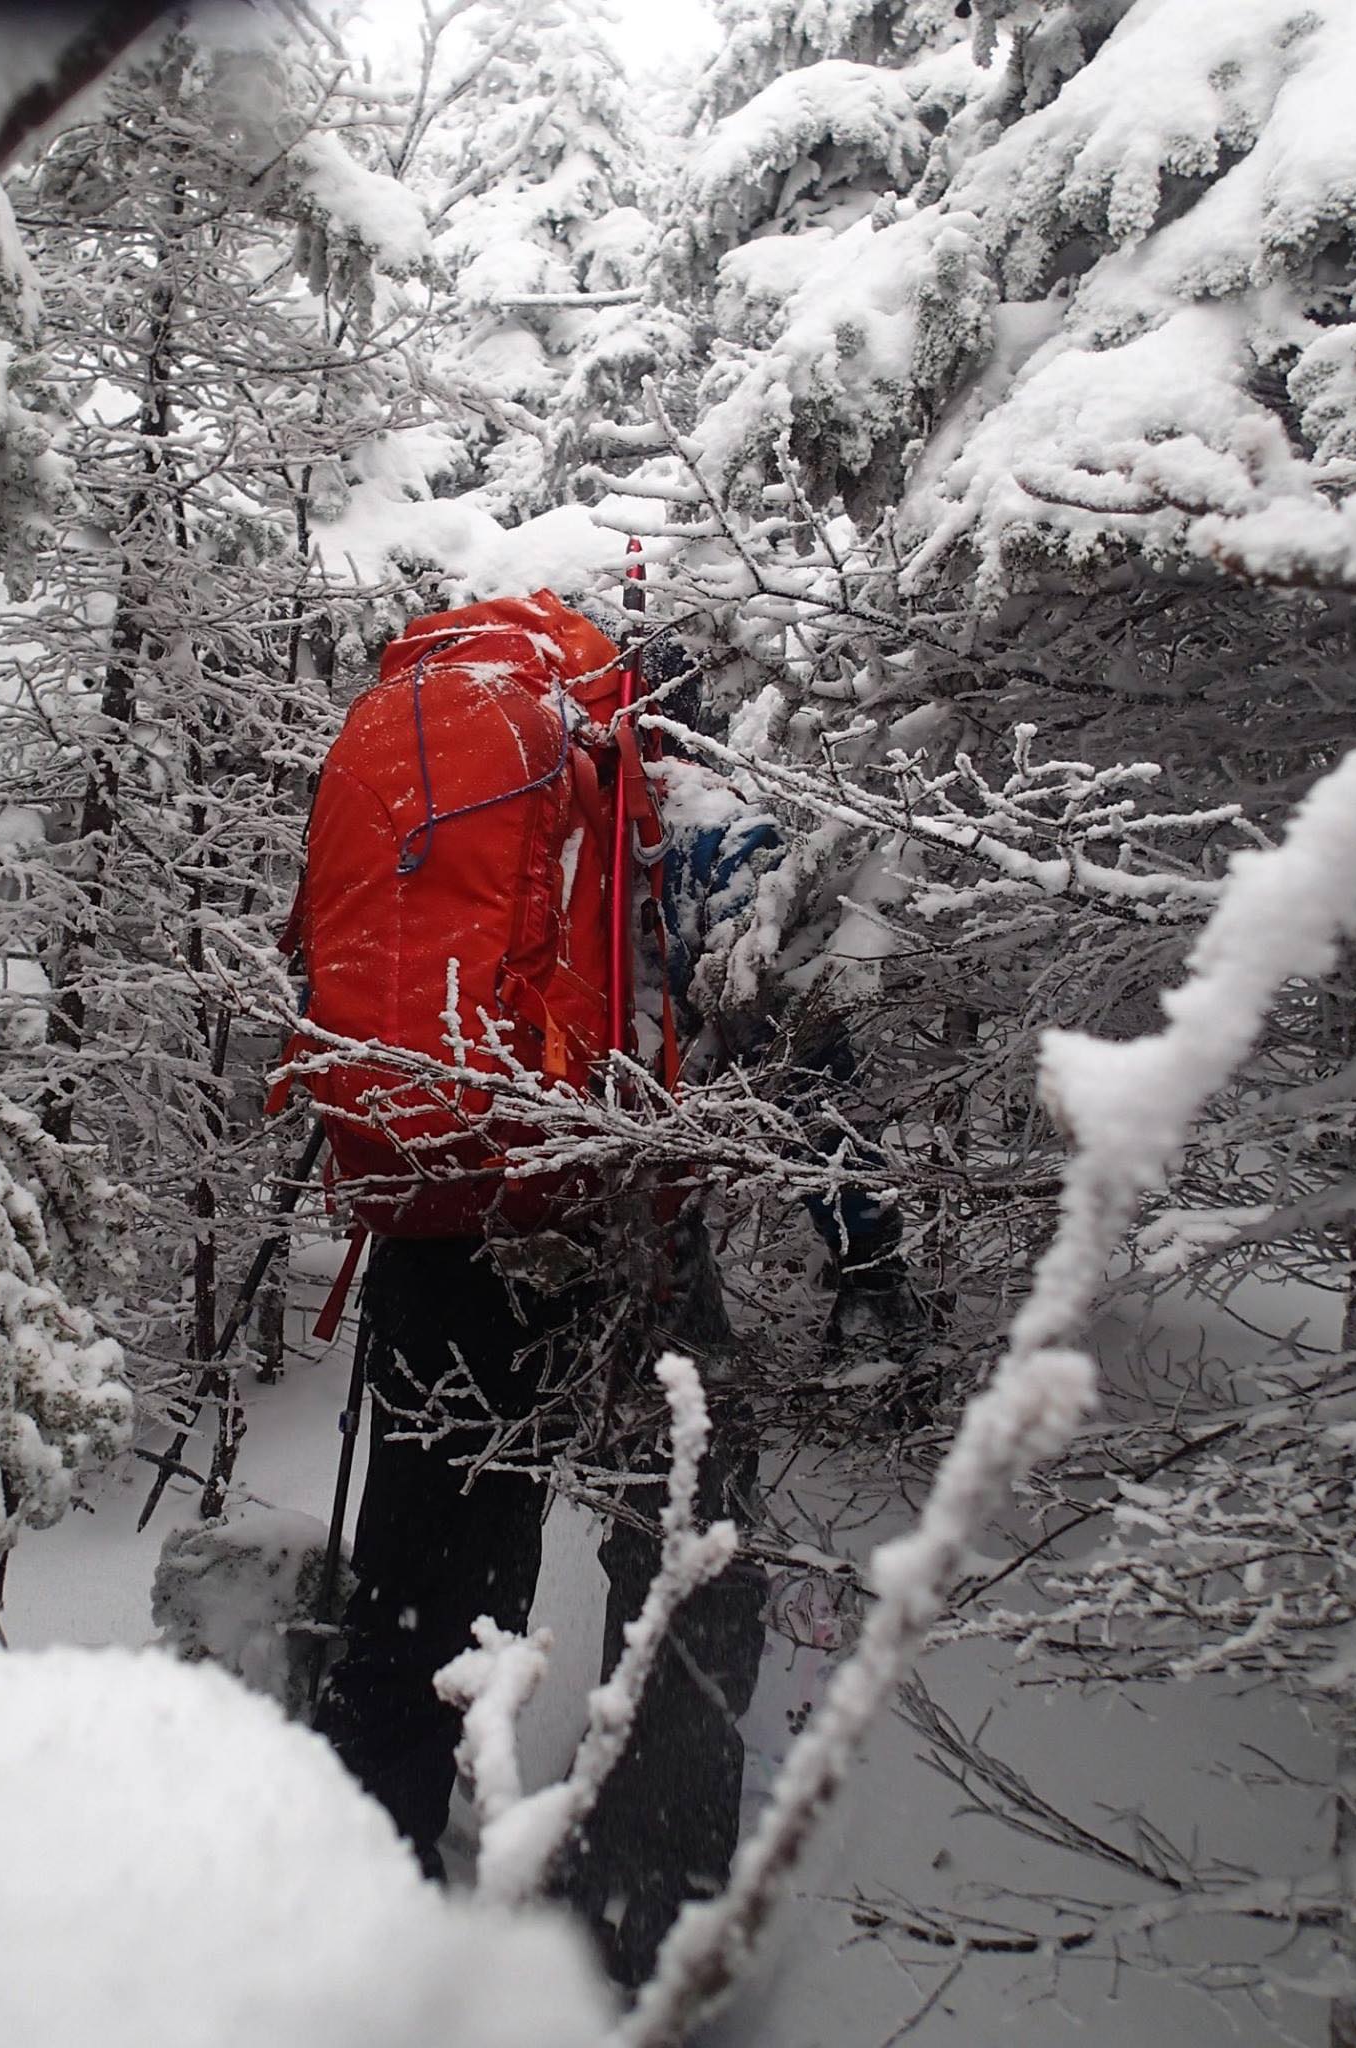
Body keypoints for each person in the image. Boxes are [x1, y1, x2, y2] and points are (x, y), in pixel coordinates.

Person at [308, 603, 912, 1980]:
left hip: (429, 1227)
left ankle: (355, 1930)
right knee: (688, 1568)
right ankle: (627, 1939)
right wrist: (865, 1253)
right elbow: (799, 1042)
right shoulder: (679, 806)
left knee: (418, 1595)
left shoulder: (433, 764)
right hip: (618, 1240)